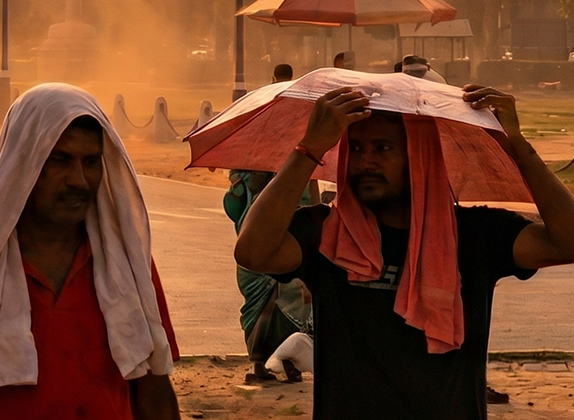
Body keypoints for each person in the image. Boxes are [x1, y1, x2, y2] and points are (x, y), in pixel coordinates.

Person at [234, 81, 574, 419]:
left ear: (419, 157)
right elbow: (252, 252)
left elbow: (567, 241)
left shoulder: (474, 234)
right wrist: (309, 149)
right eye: (356, 149)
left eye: (382, 149)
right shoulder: (327, 233)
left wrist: (517, 146)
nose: (365, 161)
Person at [0, 83, 180, 420]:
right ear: (21, 165)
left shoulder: (127, 264)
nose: (80, 180)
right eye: (60, 160)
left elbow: (155, 396)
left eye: (90, 162)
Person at [222, 61, 314, 383]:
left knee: (291, 299)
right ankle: (259, 364)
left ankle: (287, 361)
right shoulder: (252, 159)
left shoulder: (301, 155)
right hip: (256, 243)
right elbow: (236, 202)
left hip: (291, 238)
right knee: (261, 304)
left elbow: (310, 188)